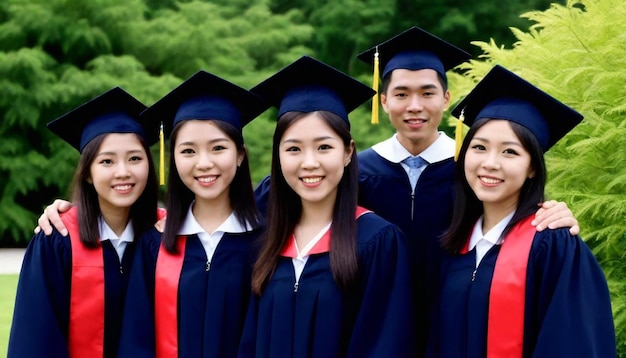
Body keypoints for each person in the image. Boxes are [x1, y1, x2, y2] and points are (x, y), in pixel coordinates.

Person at [355, 26, 583, 353]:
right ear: (384, 100)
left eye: (428, 93)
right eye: (402, 94)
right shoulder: (354, 174)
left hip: (460, 330)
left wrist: (556, 213)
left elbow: (517, 219)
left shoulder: (472, 173)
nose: (415, 106)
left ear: (446, 99)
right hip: (376, 335)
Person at [427, 65, 616, 357]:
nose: (490, 163)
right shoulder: (455, 244)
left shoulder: (552, 244)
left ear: (531, 168)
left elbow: (571, 343)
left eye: (510, 152)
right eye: (479, 147)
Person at [238, 55, 415, 357]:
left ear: (347, 152)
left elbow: (385, 345)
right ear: (278, 157)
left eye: (324, 147)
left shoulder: (377, 241)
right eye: (293, 149)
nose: (309, 163)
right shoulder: (267, 242)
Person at [116, 70, 269, 357]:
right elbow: (136, 341)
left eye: (218, 148)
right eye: (188, 151)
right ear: (172, 159)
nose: (204, 163)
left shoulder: (267, 244)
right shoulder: (154, 246)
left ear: (240, 155)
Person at [8, 87, 160, 357]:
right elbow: (35, 340)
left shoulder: (168, 235)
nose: (123, 172)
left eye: (135, 158)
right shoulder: (57, 240)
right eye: (106, 161)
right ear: (88, 173)